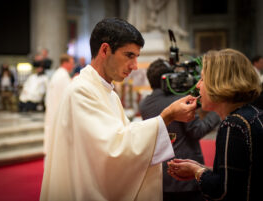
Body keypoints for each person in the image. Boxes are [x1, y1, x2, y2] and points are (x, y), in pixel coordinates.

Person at [40, 17, 198, 201]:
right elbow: (112, 152)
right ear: (105, 50)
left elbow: (121, 136)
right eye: (129, 55)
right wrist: (165, 118)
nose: (135, 66)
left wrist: (157, 128)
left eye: (137, 57)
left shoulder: (108, 93)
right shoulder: (80, 91)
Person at [167, 49, 263, 201]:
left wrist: (196, 171)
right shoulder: (252, 114)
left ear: (219, 83)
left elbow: (222, 192)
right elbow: (239, 176)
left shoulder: (233, 124)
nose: (198, 85)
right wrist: (203, 169)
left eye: (203, 79)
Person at [139, 58, 220, 201]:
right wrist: (218, 112)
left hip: (161, 176)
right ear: (170, 78)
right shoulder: (180, 101)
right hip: (185, 173)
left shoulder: (144, 104)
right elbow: (197, 131)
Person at [44, 54, 74, 155]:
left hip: (53, 110)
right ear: (65, 63)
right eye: (71, 63)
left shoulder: (58, 74)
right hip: (58, 112)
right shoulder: (62, 76)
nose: (73, 66)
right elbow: (68, 96)